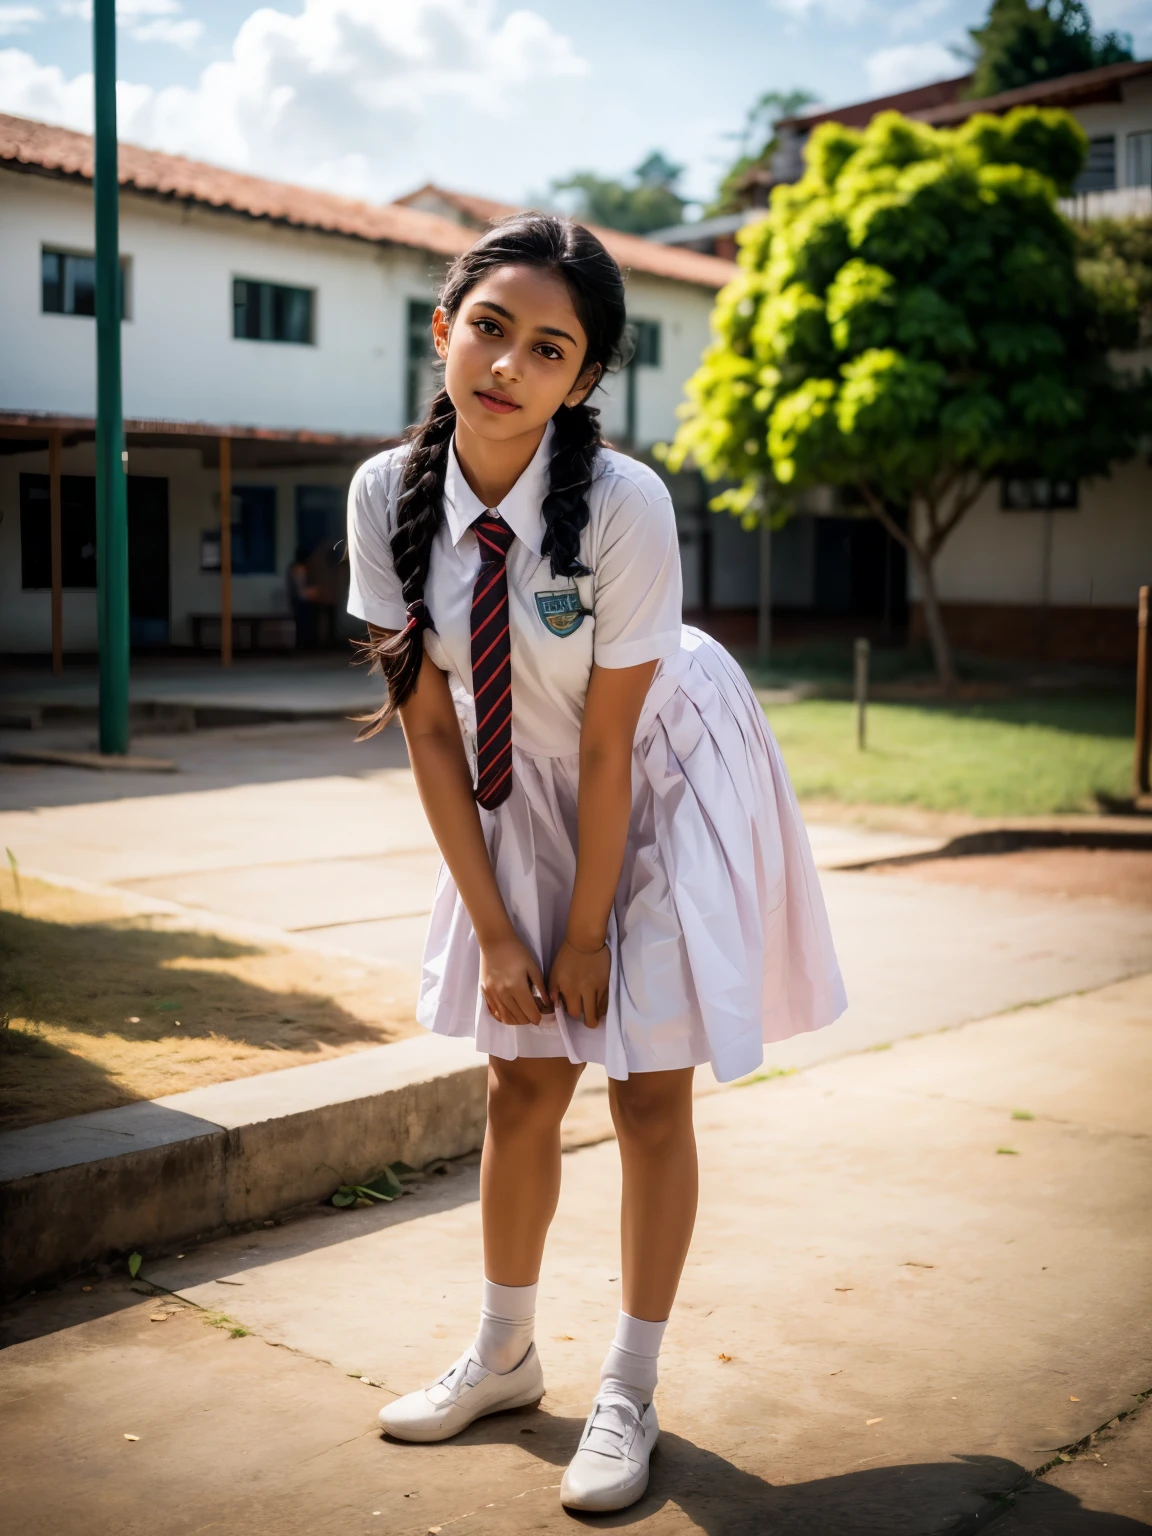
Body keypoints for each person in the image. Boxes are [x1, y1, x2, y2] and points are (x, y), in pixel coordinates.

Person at [345, 213, 845, 1514]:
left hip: (662, 777)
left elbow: (615, 748)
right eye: (489, 327)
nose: (508, 362)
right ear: (445, 328)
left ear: (582, 378)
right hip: (518, 789)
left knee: (642, 1098)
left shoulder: (623, 505)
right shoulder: (383, 497)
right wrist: (505, 936)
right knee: (518, 1084)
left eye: (547, 347)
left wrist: (581, 937)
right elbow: (432, 735)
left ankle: (629, 1388)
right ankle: (503, 1354)